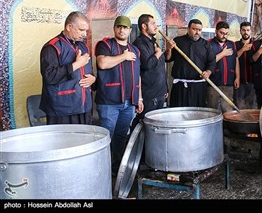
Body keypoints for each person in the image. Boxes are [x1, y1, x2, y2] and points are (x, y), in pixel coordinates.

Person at [94, 15, 143, 174]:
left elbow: (137, 75)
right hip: (109, 101)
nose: (121, 30)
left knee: (121, 136)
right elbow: (102, 63)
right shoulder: (105, 45)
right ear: (114, 28)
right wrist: (124, 56)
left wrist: (139, 97)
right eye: (119, 27)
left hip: (129, 102)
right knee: (105, 137)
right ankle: (102, 170)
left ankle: (116, 168)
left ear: (130, 30)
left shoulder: (135, 50)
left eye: (125, 27)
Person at [39, 11, 96, 125]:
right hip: (62, 109)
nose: (84, 34)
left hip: (84, 106)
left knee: (84, 140)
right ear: (69, 27)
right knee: (64, 142)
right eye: (81, 30)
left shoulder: (83, 46)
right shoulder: (52, 47)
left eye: (86, 30)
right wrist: (76, 65)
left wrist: (93, 79)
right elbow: (49, 76)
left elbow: (88, 71)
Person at [165, 19, 216, 107]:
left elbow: (212, 62)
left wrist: (208, 72)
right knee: (178, 112)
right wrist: (169, 48)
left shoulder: (206, 45)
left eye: (199, 30)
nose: (197, 32)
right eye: (194, 29)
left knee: (197, 113)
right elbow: (168, 58)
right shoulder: (178, 41)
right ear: (188, 29)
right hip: (180, 86)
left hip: (198, 86)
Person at [133, 14, 168, 120]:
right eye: (152, 23)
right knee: (145, 124)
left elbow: (161, 65)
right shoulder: (139, 43)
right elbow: (147, 64)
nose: (156, 27)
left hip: (160, 92)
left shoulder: (154, 42)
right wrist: (157, 53)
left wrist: (165, 88)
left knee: (157, 125)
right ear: (144, 26)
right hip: (149, 94)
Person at [207, 21, 240, 113]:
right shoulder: (208, 44)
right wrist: (222, 54)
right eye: (221, 33)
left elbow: (236, 60)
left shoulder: (232, 44)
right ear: (216, 31)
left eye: (226, 34)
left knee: (228, 110)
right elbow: (208, 62)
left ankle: (227, 127)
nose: (224, 36)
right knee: (212, 110)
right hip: (213, 83)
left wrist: (237, 77)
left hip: (229, 83)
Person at [234, 21, 257, 109]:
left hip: (253, 81)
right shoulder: (235, 45)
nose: (246, 32)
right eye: (243, 30)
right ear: (240, 31)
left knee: (253, 107)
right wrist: (242, 49)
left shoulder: (256, 45)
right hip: (240, 81)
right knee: (238, 106)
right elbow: (233, 58)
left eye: (248, 30)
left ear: (251, 31)